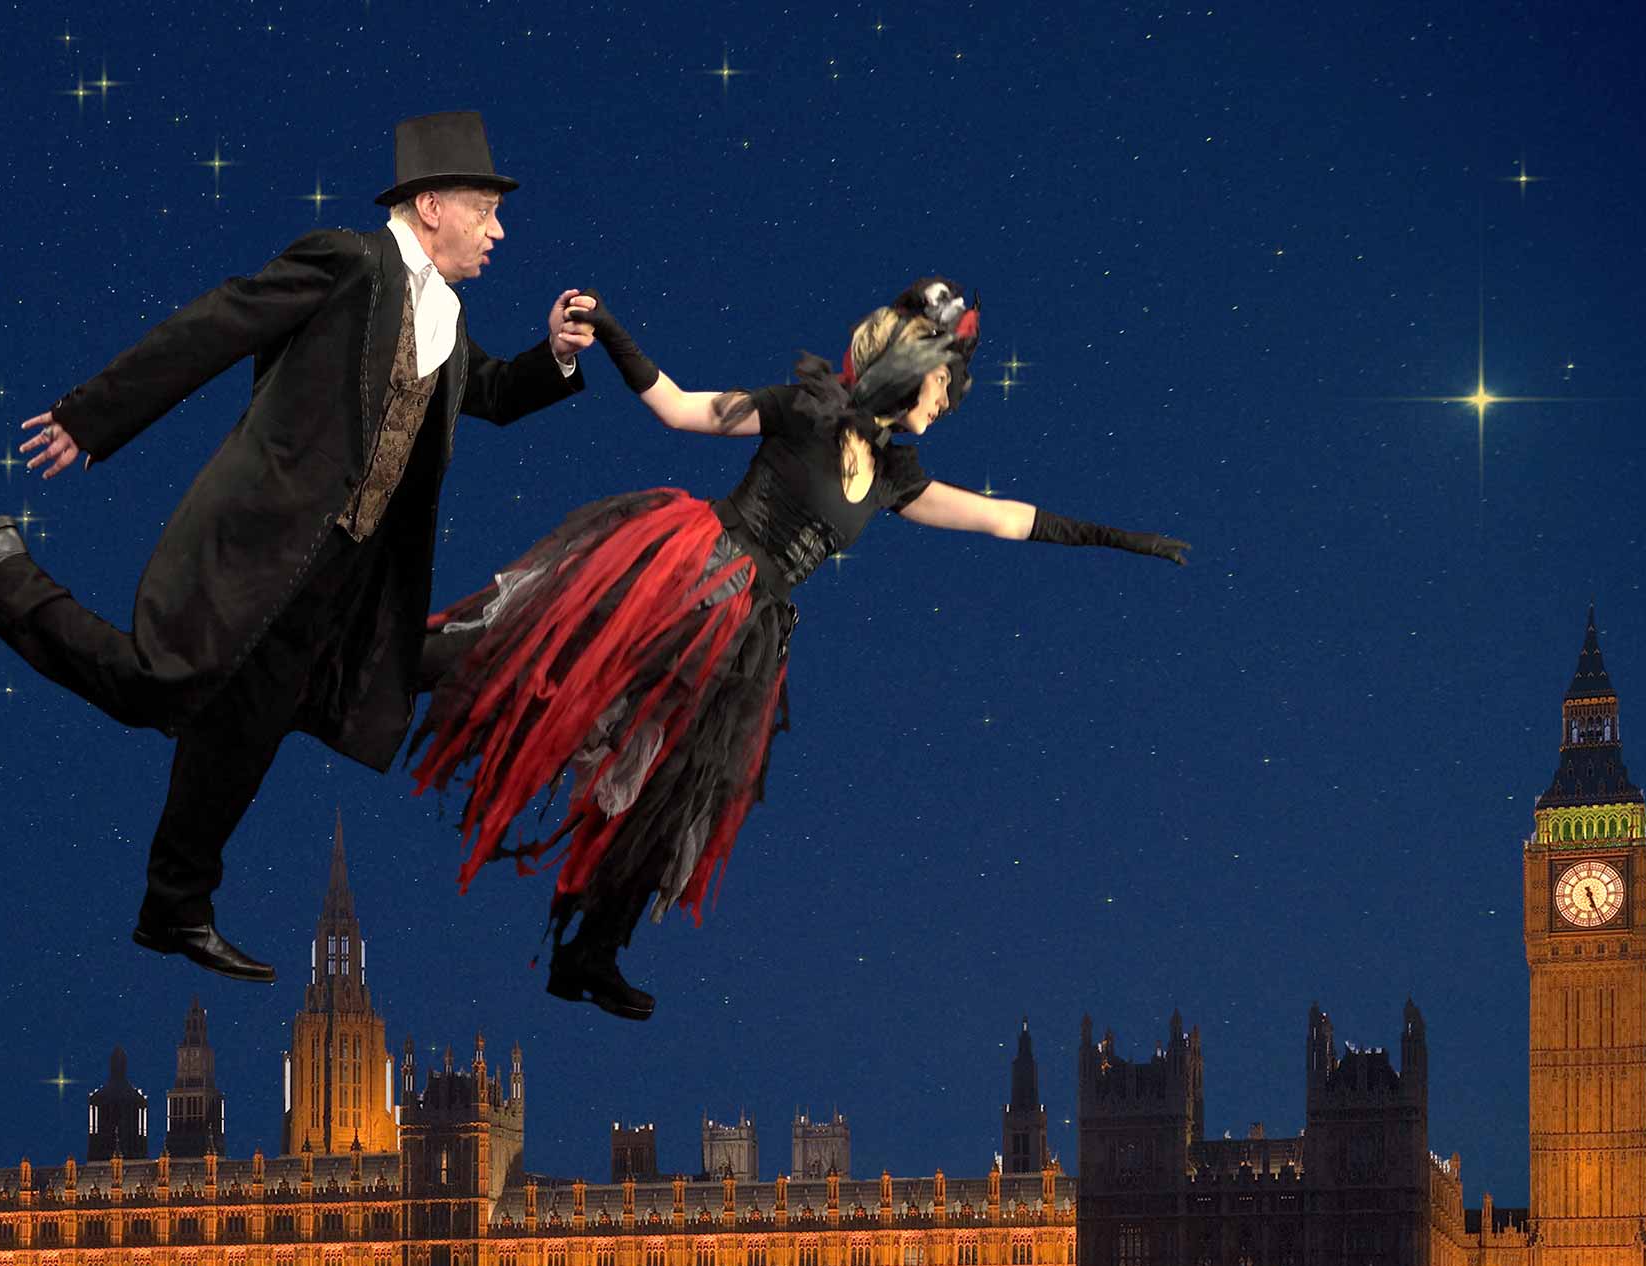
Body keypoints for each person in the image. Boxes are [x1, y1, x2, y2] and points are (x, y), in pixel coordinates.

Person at [0, 112, 594, 983]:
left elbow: (491, 392)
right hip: (261, 542)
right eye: (486, 209)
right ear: (432, 205)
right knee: (156, 685)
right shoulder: (349, 263)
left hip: (341, 577)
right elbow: (220, 323)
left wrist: (555, 355)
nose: (497, 231)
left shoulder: (447, 315)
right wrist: (95, 415)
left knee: (246, 727)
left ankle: (173, 907)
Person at [410, 279, 1188, 1020]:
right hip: (691, 573)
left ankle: (590, 951)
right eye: (944, 383)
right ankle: (398, 664)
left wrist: (1121, 540)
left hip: (747, 634)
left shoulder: (894, 475)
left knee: (685, 786)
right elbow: (679, 408)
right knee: (558, 652)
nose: (948, 401)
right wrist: (610, 330)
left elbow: (1001, 518)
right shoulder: (802, 410)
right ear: (913, 367)